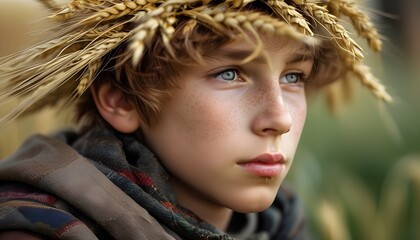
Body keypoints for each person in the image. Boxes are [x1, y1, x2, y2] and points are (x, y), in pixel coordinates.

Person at [0, 0, 391, 239]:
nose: (280, 119)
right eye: (229, 74)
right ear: (122, 100)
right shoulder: (38, 231)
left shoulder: (282, 226)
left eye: (293, 77)